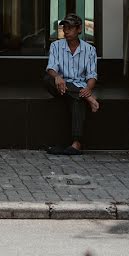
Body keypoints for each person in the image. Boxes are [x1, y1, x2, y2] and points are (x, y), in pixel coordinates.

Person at [44, 13, 99, 156]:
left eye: (70, 28)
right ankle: (87, 98)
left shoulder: (89, 50)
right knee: (47, 79)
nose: (66, 31)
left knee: (78, 99)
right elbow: (51, 68)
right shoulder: (56, 46)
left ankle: (76, 144)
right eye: (64, 28)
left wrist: (88, 89)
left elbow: (92, 75)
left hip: (78, 88)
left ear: (79, 29)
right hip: (59, 86)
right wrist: (57, 77)